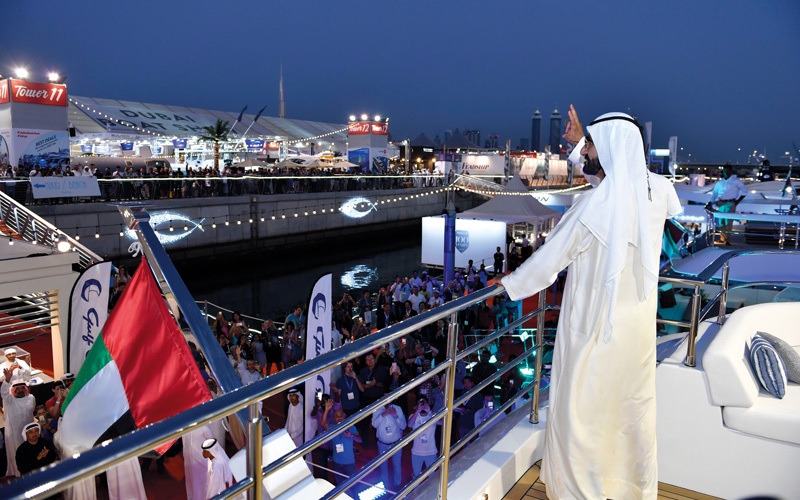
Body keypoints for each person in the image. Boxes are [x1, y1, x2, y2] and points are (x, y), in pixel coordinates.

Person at [492, 105, 681, 499]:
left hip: (593, 329)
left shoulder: (593, 207)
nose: (588, 152)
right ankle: (628, 488)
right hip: (636, 334)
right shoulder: (657, 191)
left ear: (610, 149)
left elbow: (549, 261)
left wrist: (508, 284)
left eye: (592, 145)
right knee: (628, 415)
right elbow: (613, 180)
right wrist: (581, 141)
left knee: (582, 419)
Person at [705, 164, 747, 245]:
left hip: (730, 203)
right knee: (721, 222)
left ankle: (727, 240)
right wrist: (710, 202)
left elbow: (745, 191)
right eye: (725, 171)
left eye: (728, 171)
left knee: (729, 222)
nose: (726, 172)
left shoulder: (736, 181)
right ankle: (722, 239)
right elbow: (714, 193)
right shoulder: (720, 182)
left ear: (731, 171)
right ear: (723, 172)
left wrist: (737, 202)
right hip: (720, 202)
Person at [2, 378, 35, 476]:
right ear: (13, 390)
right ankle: (18, 473)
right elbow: (4, 392)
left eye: (22, 388)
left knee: (30, 451)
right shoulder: (10, 400)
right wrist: (7, 380)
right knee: (17, 453)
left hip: (29, 431)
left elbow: (31, 411)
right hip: (15, 432)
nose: (20, 390)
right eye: (17, 389)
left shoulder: (31, 398)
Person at [324, 409, 360, 493]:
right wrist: (326, 410)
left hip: (349, 463)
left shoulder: (350, 426)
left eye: (341, 416)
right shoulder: (333, 427)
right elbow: (323, 423)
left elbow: (359, 439)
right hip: (337, 463)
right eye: (337, 416)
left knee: (353, 485)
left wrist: (351, 435)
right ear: (334, 418)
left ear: (344, 416)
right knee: (340, 487)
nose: (339, 418)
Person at [371, 402, 406, 490]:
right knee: (383, 466)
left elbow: (403, 426)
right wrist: (383, 414)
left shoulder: (398, 408)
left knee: (397, 465)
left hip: (396, 444)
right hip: (382, 444)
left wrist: (396, 416)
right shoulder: (377, 409)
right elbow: (374, 424)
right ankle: (385, 485)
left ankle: (397, 484)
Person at [408, 396, 440, 478]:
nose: (422, 406)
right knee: (416, 476)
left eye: (424, 403)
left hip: (431, 451)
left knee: (432, 476)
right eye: (420, 404)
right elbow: (410, 424)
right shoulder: (413, 416)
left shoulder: (432, 415)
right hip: (417, 452)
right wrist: (417, 410)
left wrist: (429, 411)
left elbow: (441, 422)